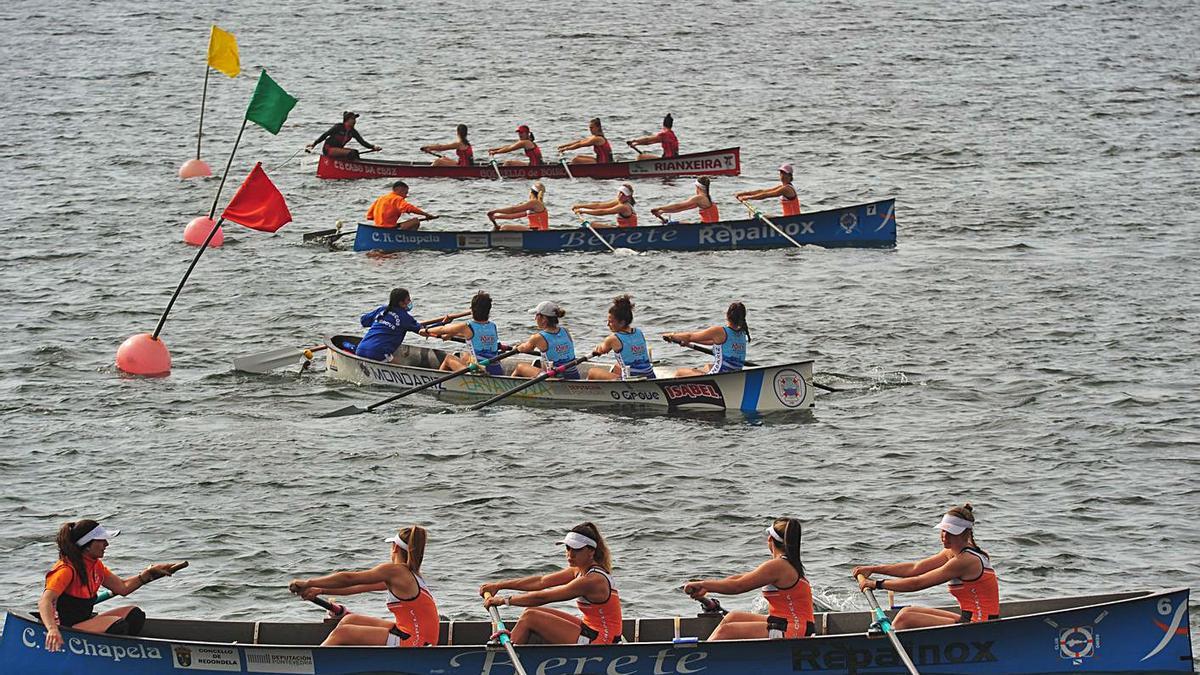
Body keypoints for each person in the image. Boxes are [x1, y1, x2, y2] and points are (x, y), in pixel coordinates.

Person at [37, 520, 179, 652]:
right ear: (87, 545)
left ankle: (132, 653)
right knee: (118, 625)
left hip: (84, 622)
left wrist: (149, 574)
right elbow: (45, 601)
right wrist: (52, 629)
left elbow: (122, 587)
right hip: (66, 628)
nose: (107, 544)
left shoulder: (95, 566)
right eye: (101, 540)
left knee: (135, 615)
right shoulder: (66, 570)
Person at [852, 504, 1000, 629]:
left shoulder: (966, 560)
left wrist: (876, 584)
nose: (945, 537)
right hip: (970, 619)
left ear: (965, 534)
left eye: (951, 533)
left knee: (905, 620)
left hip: (981, 626)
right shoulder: (952, 552)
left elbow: (918, 583)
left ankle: (885, 654)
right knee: (906, 612)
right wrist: (874, 569)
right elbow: (915, 568)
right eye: (943, 531)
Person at [288, 527, 439, 647]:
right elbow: (357, 586)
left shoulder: (395, 571)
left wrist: (309, 583)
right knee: (349, 620)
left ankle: (312, 664)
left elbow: (349, 578)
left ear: (394, 548)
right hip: (415, 636)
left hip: (416, 643)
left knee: (343, 633)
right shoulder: (409, 575)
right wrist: (321, 590)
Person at [480, 523, 622, 645]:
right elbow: (541, 581)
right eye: (568, 548)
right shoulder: (578, 570)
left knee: (531, 618)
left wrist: (503, 601)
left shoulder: (593, 580)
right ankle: (513, 649)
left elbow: (544, 597)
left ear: (591, 551)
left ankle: (503, 662)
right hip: (591, 629)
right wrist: (499, 585)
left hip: (603, 642)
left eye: (576, 549)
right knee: (529, 611)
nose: (570, 554)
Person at [683, 518, 815, 640]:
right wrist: (705, 585)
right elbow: (739, 579)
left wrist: (704, 585)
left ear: (770, 539)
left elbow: (738, 586)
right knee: (733, 617)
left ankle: (698, 659)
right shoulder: (785, 564)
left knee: (727, 631)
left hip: (794, 630)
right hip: (787, 623)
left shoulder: (778, 566)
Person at [421, 291, 505, 375]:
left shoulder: (466, 327)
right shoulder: (493, 326)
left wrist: (426, 331)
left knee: (448, 358)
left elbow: (443, 329)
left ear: (472, 311)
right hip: (497, 370)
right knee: (465, 356)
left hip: (480, 371)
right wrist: (451, 335)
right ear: (488, 311)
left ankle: (438, 382)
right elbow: (476, 336)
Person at [663, 302, 750, 377]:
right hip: (733, 375)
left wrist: (671, 335)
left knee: (680, 372)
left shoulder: (719, 331)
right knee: (707, 366)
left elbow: (690, 336)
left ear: (727, 315)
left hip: (717, 375)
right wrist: (688, 342)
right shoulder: (742, 333)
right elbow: (711, 342)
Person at [588, 294, 655, 381]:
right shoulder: (639, 332)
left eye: (611, 322)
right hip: (649, 375)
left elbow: (601, 350)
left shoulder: (613, 339)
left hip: (631, 379)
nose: (607, 324)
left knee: (592, 372)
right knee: (617, 366)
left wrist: (597, 349)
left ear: (622, 322)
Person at [511, 301, 581, 379]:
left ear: (544, 319)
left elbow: (524, 348)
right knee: (541, 362)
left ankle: (506, 387)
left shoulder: (538, 337)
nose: (535, 318)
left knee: (520, 367)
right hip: (574, 374)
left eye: (536, 315)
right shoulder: (565, 331)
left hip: (555, 378)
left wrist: (517, 347)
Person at [357, 288, 423, 362]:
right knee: (399, 366)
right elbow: (422, 331)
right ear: (401, 303)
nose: (410, 302)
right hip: (378, 353)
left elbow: (364, 321)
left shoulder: (382, 310)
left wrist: (382, 322)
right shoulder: (405, 317)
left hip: (360, 349)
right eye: (408, 300)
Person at [307, 111, 381, 160]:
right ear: (347, 120)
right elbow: (325, 135)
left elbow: (362, 142)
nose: (355, 121)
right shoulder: (338, 127)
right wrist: (314, 144)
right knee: (351, 153)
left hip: (338, 149)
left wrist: (373, 147)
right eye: (352, 119)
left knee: (355, 152)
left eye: (355, 119)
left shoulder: (353, 131)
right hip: (329, 149)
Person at [366, 181, 438, 230]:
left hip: (378, 228)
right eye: (405, 193)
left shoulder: (381, 198)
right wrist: (426, 215)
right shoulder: (397, 198)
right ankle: (408, 239)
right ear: (398, 190)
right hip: (389, 229)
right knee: (415, 221)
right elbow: (410, 208)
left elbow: (370, 216)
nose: (406, 196)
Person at [735, 163, 800, 216]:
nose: (782, 175)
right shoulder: (783, 186)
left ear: (789, 176)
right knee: (763, 217)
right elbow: (764, 191)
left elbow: (766, 195)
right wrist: (743, 193)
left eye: (784, 173)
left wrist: (748, 198)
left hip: (792, 218)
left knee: (763, 218)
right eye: (781, 173)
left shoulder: (786, 189)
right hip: (787, 217)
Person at [650, 177, 720, 224]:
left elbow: (679, 205)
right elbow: (682, 208)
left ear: (697, 187)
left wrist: (659, 208)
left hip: (707, 227)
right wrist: (663, 211)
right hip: (706, 225)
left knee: (675, 224)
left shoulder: (700, 198)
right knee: (675, 223)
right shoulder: (706, 198)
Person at [572, 184, 637, 228]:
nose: (620, 196)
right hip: (620, 229)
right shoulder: (619, 201)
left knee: (592, 225)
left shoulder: (624, 207)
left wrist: (583, 211)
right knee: (593, 224)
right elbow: (599, 205)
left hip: (626, 232)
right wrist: (580, 206)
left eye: (623, 194)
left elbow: (603, 212)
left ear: (628, 197)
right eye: (620, 193)